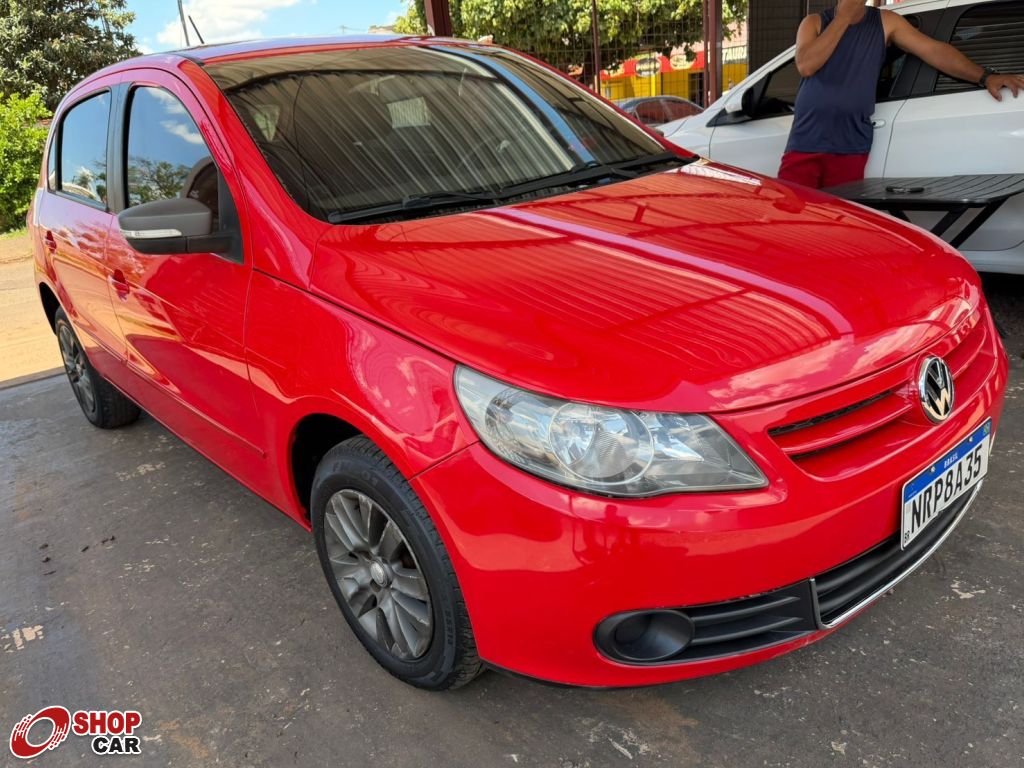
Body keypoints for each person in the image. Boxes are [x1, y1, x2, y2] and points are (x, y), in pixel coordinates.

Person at [778, 0, 1024, 189]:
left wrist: (985, 77)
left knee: (842, 227)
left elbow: (935, 51)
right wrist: (843, 18)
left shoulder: (885, 22)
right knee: (793, 224)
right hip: (805, 142)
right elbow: (806, 65)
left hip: (850, 146)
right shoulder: (814, 22)